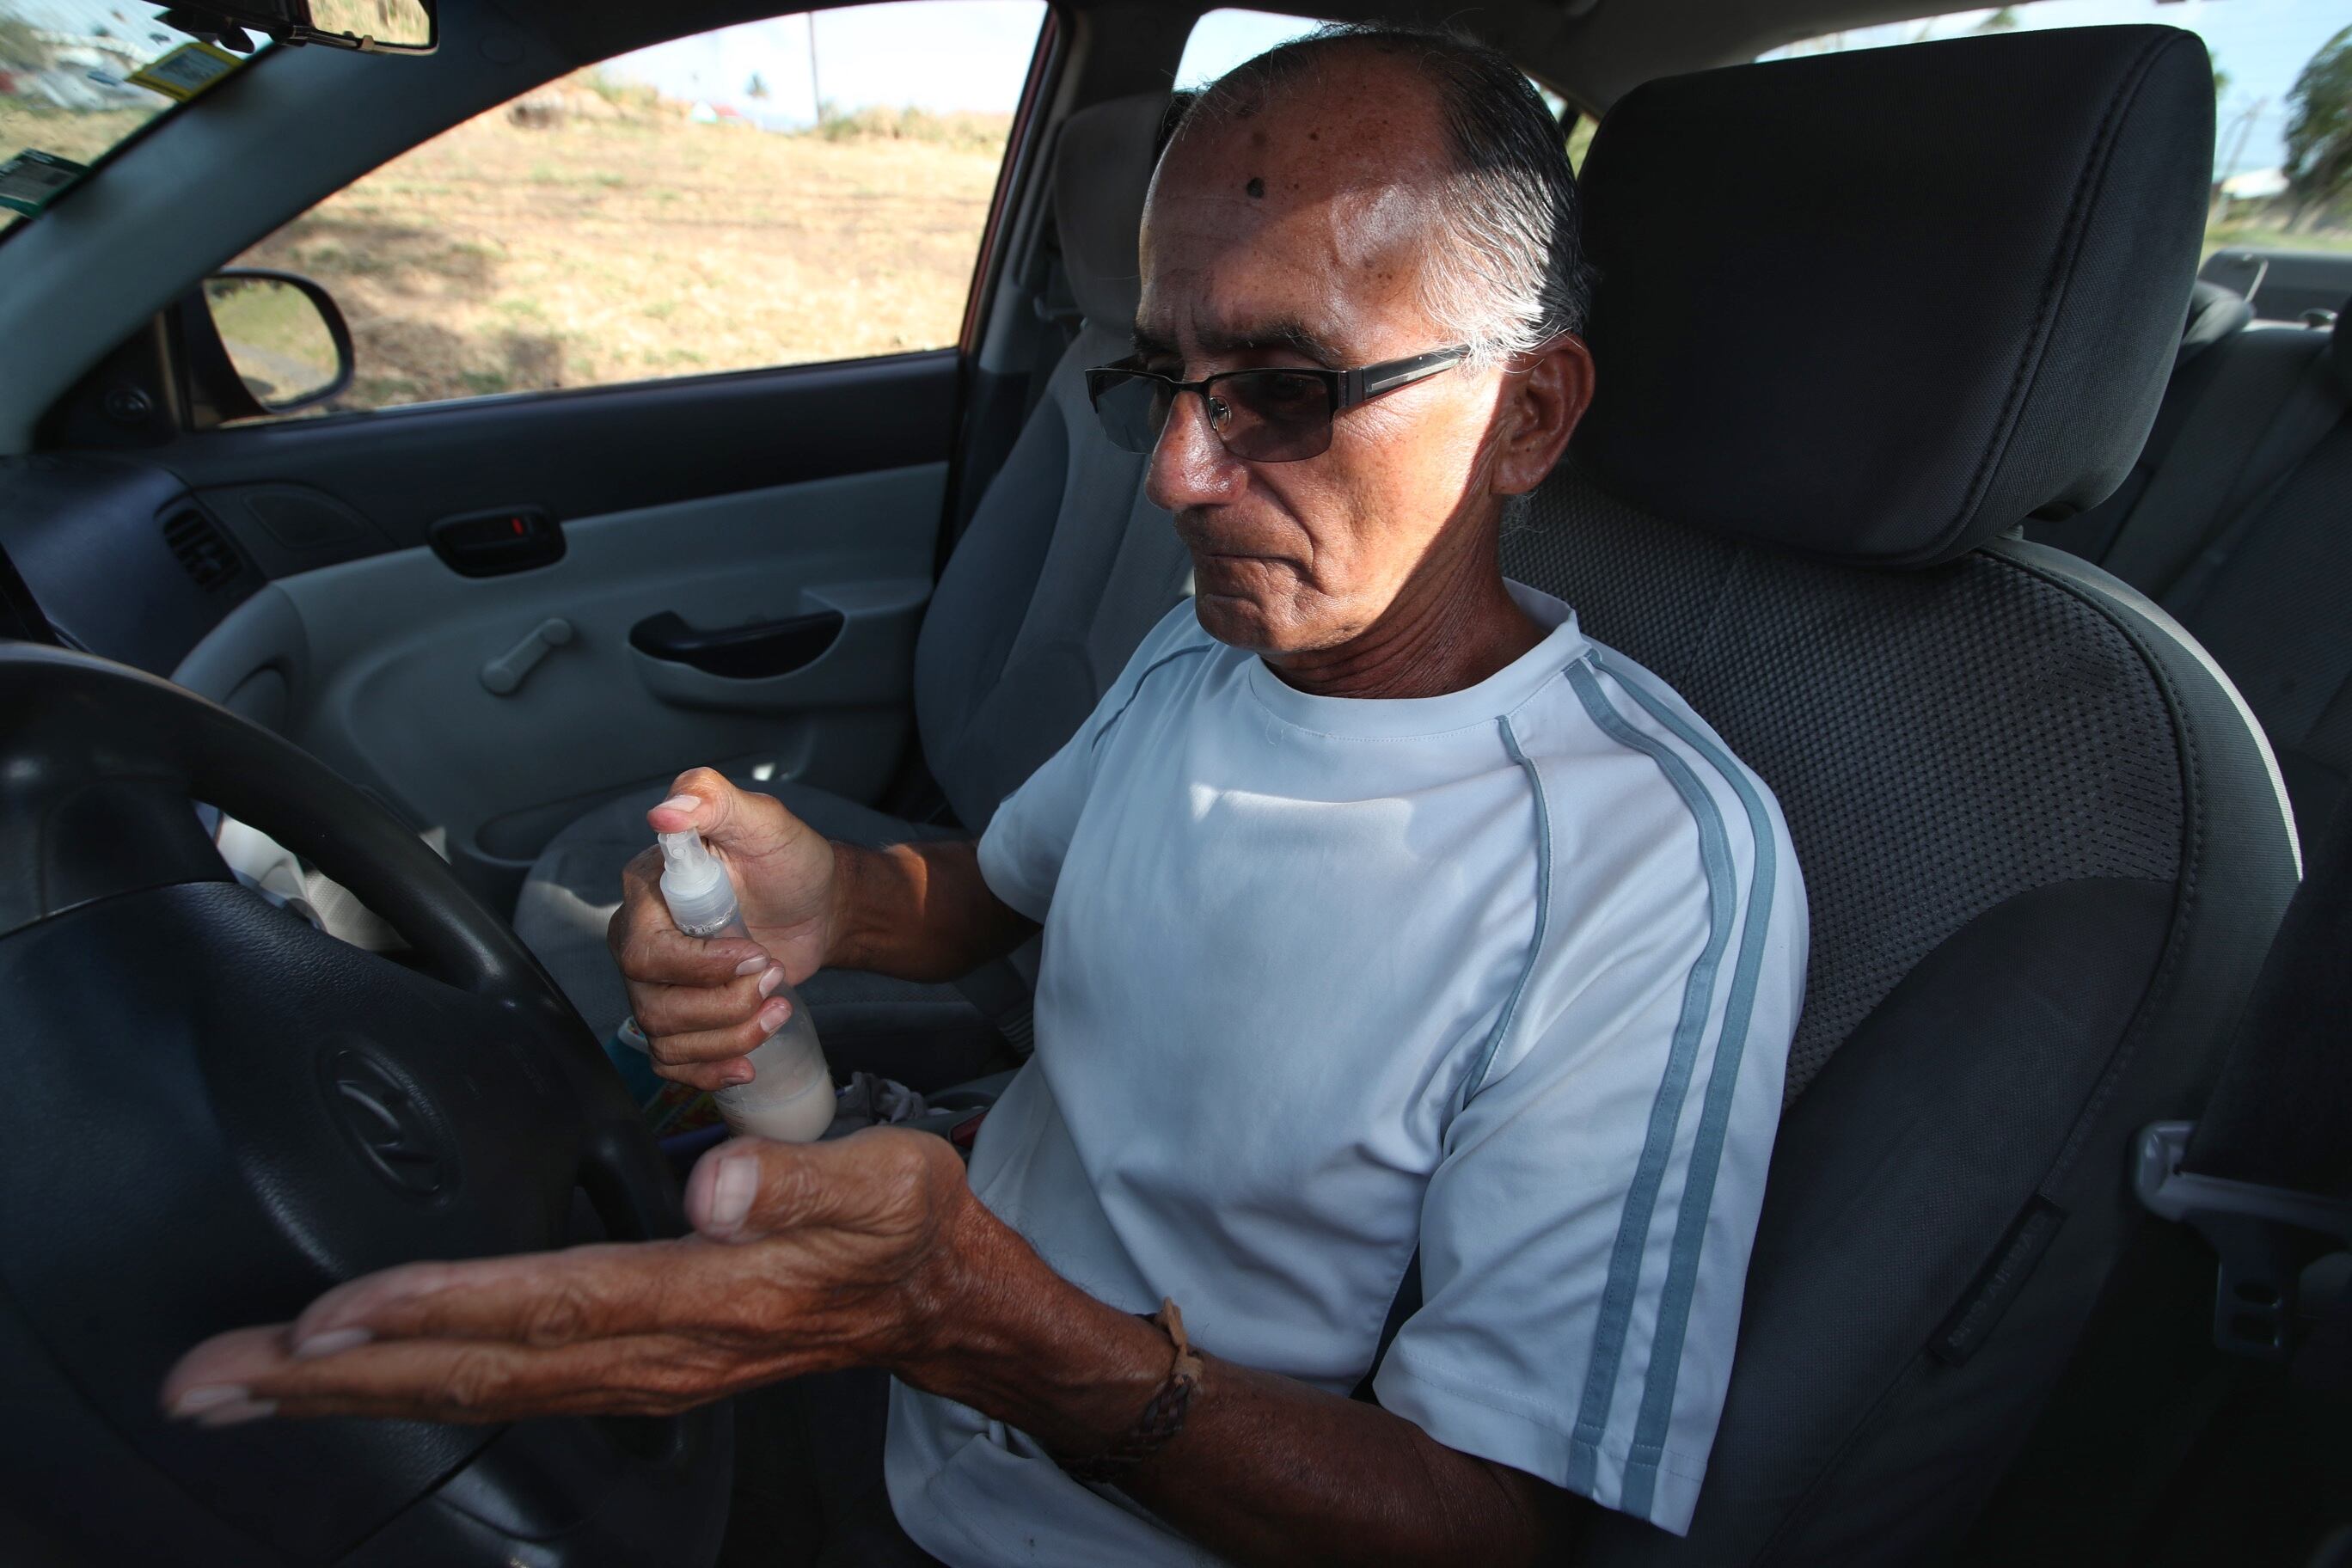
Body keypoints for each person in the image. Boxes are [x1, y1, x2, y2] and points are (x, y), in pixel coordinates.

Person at [162, 23, 1808, 1566]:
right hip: (885, 1340)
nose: (1177, 474)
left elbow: (1493, 1525)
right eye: (1168, 378)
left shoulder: (1647, 865)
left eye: (1287, 387)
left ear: (1526, 415)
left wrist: (982, 1325)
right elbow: (995, 901)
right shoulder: (1213, 647)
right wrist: (831, 901)